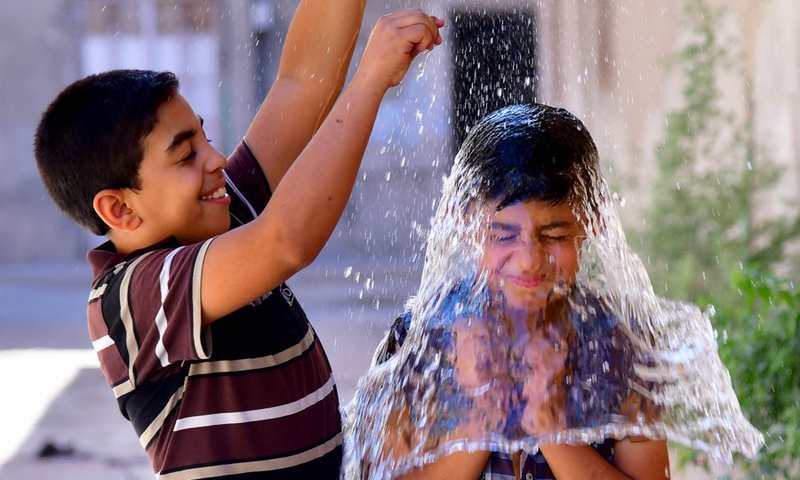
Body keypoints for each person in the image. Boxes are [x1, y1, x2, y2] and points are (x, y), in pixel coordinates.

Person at [33, 2, 444, 478]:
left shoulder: (222, 213)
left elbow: (303, 81)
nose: (217, 159)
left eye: (204, 138)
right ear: (120, 209)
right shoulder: (133, 293)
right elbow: (286, 241)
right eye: (187, 154)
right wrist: (370, 80)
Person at [349, 104, 670, 479]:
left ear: (592, 219)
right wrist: (485, 411)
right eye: (503, 235)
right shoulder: (420, 343)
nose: (529, 260)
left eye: (554, 236)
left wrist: (546, 422)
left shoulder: (622, 346)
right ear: (467, 222)